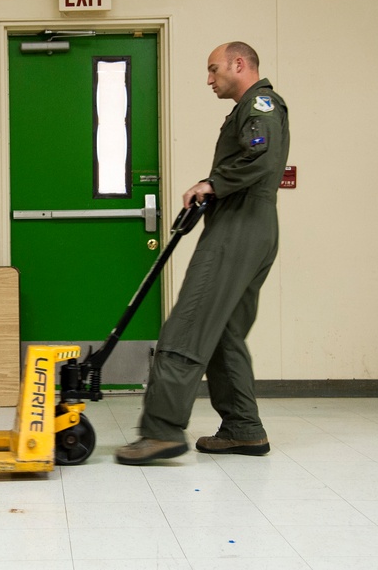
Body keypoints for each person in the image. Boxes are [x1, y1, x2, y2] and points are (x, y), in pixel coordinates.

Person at [115, 41, 290, 465]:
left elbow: (261, 157)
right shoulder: (250, 107)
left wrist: (212, 184)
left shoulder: (261, 103)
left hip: (239, 227)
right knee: (225, 332)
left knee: (189, 323)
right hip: (250, 225)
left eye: (214, 70)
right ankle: (243, 429)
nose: (210, 79)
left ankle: (160, 431)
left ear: (239, 63)